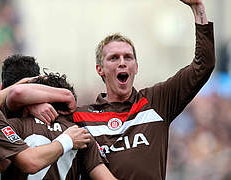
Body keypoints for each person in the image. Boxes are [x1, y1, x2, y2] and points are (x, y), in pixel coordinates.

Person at [72, 0, 215, 179]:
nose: (122, 62)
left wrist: (198, 9)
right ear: (100, 69)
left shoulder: (157, 101)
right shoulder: (81, 117)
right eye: (114, 58)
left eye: (128, 57)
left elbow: (204, 65)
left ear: (136, 67)